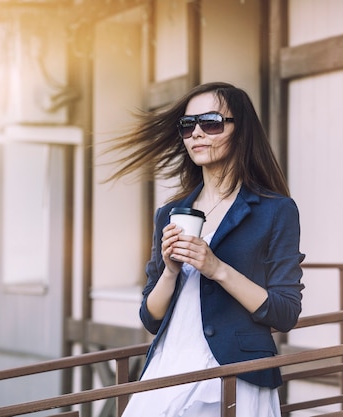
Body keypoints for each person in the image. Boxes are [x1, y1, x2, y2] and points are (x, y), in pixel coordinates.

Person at [103, 81, 305, 417]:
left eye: (210, 123)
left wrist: (217, 269)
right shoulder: (169, 214)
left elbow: (285, 313)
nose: (196, 133)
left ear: (241, 132)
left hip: (233, 373)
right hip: (169, 366)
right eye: (187, 125)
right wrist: (169, 272)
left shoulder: (275, 210)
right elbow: (150, 318)